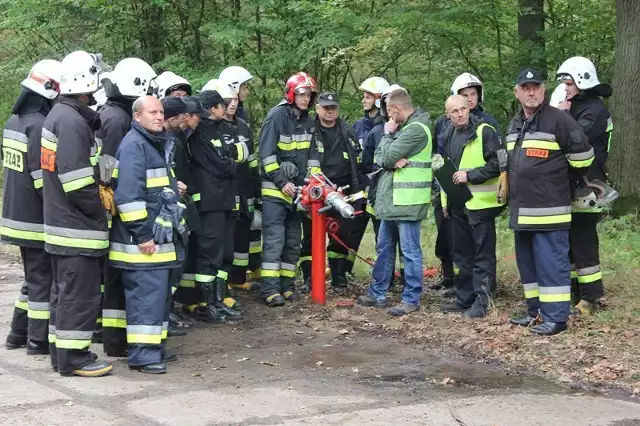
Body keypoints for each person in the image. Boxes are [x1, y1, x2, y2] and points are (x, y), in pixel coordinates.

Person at [507, 68, 593, 335]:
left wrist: (559, 180)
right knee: (528, 266)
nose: (531, 92)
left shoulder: (559, 120)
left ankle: (556, 318)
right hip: (522, 212)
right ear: (517, 92)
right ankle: (536, 311)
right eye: (526, 87)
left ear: (543, 90)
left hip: (549, 210)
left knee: (551, 265)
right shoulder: (515, 123)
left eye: (536, 87)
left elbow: (583, 158)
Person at [41, 50, 112, 377]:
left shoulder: (61, 115)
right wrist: (102, 211)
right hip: (77, 228)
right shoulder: (71, 121)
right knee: (78, 296)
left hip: (63, 225)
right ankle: (74, 359)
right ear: (87, 80)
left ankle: (62, 355)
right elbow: (77, 182)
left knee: (63, 294)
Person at [109, 95, 185, 374]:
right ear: (137, 116)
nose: (158, 116)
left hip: (158, 240)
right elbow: (128, 197)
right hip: (142, 243)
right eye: (152, 112)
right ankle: (142, 355)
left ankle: (154, 347)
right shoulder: (134, 145)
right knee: (146, 298)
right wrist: (142, 235)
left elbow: (154, 188)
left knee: (159, 297)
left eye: (161, 112)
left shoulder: (154, 143)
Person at [2, 59, 62, 355]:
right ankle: (37, 340)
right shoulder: (39, 126)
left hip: (15, 213)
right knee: (42, 280)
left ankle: (17, 333)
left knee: (32, 278)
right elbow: (42, 178)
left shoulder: (13, 122)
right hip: (35, 217)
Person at [357, 87, 432, 316]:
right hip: (392, 201)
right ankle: (377, 292)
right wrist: (389, 156)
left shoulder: (416, 130)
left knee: (409, 251)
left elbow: (385, 157)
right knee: (384, 248)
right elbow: (379, 159)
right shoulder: (405, 127)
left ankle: (411, 298)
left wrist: (388, 135)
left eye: (390, 111)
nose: (388, 117)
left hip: (408, 201)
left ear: (397, 108)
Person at [99, 57, 157, 357]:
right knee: (118, 279)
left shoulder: (111, 112)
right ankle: (118, 342)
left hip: (114, 208)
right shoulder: (121, 120)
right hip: (120, 212)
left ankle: (115, 340)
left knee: (114, 278)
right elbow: (111, 166)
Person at [432, 73, 501, 296]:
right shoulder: (447, 134)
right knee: (462, 253)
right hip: (457, 204)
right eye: (455, 110)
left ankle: (482, 300)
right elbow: (444, 169)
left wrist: (469, 175)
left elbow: (498, 165)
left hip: (481, 205)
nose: (461, 113)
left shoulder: (485, 130)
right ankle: (464, 298)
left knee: (482, 254)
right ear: (447, 115)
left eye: (464, 108)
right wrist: (444, 200)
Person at [556, 57, 613, 315]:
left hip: (590, 184)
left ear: (582, 82)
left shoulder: (595, 110)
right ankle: (575, 292)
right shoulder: (578, 106)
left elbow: (575, 139)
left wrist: (562, 115)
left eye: (569, 82)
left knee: (584, 241)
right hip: (572, 182)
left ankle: (591, 297)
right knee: (569, 240)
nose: (565, 88)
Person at [299, 92, 368, 294]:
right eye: (325, 107)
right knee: (311, 237)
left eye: (333, 107)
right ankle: (309, 278)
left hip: (343, 190)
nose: (330, 111)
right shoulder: (309, 130)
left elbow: (358, 163)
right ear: (317, 109)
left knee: (342, 234)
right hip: (315, 192)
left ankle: (338, 278)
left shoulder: (347, 130)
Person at [258, 72, 316, 306]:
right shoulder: (276, 117)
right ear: (292, 94)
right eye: (302, 94)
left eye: (309, 95)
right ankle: (270, 290)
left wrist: (311, 186)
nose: (306, 98)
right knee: (274, 242)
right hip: (275, 192)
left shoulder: (309, 121)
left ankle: (287, 286)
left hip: (299, 192)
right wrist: (283, 182)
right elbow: (267, 156)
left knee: (293, 242)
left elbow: (313, 158)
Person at [187, 89, 244, 321]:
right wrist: (228, 162)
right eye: (224, 104)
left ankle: (218, 300)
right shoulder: (198, 134)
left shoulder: (224, 131)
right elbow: (222, 166)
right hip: (210, 203)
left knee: (224, 253)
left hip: (226, 200)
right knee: (209, 254)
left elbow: (237, 158)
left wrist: (228, 161)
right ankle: (205, 303)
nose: (228, 107)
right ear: (214, 108)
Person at [353, 77, 390, 148]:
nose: (363, 101)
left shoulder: (389, 126)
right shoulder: (358, 126)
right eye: (364, 97)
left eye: (368, 98)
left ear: (379, 99)